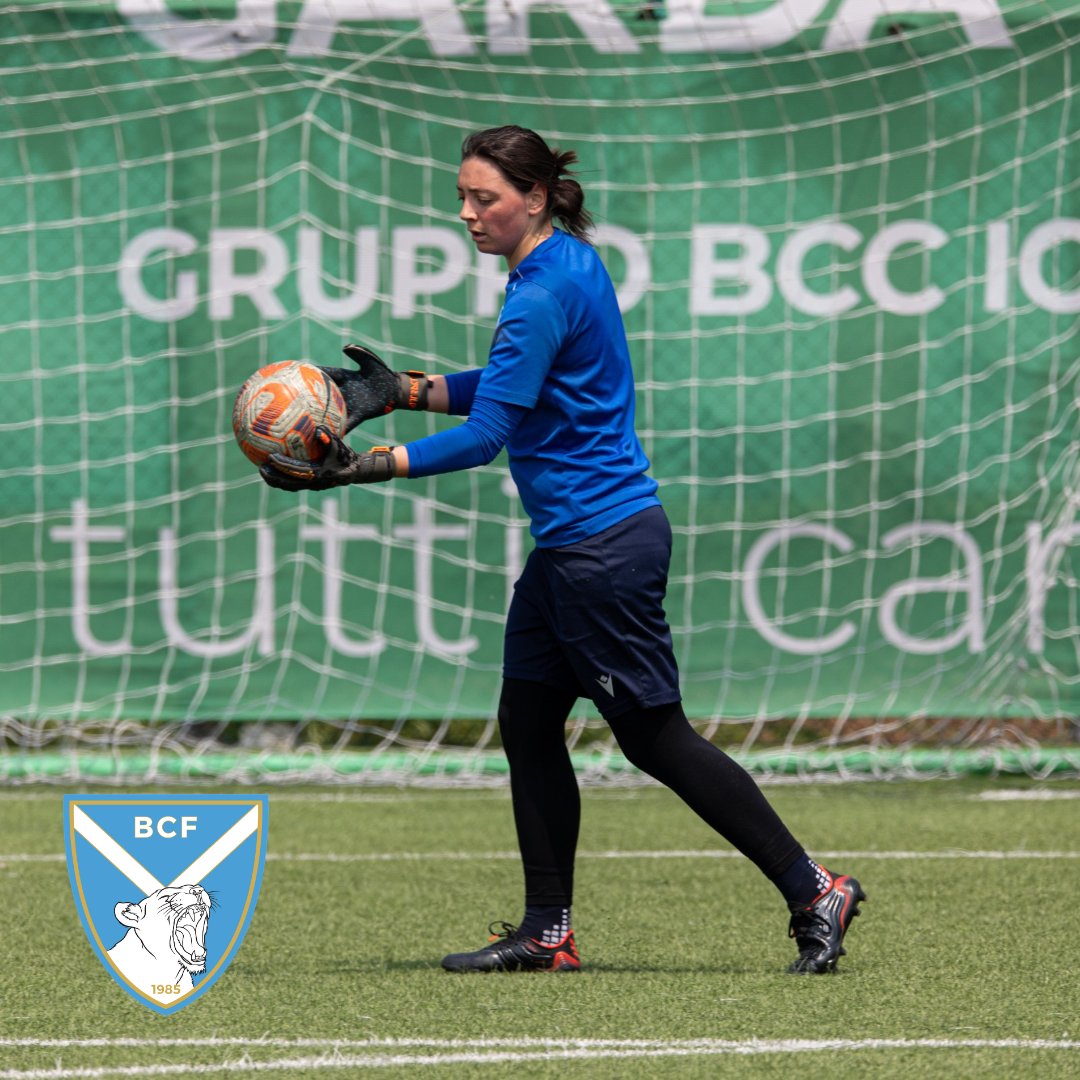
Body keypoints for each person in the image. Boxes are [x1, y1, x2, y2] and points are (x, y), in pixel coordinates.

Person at [260, 125, 866, 975]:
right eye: (462, 196)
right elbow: (517, 382)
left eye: (486, 198)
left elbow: (489, 434)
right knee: (530, 723)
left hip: (600, 549)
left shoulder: (542, 289)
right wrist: (405, 390)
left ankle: (814, 890)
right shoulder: (565, 265)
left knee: (655, 738)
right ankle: (547, 931)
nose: (467, 213)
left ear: (536, 197)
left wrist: (357, 468)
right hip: (573, 550)